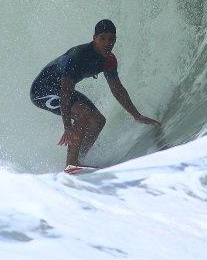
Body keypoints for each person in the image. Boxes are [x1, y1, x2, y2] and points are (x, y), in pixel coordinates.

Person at [30, 18, 161, 172]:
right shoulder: (78, 56)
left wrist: (136, 115)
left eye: (111, 39)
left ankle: (79, 159)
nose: (107, 43)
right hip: (42, 90)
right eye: (102, 39)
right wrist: (67, 126)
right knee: (83, 114)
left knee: (98, 121)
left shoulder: (109, 60)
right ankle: (71, 164)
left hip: (61, 90)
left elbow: (117, 89)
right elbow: (65, 93)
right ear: (94, 38)